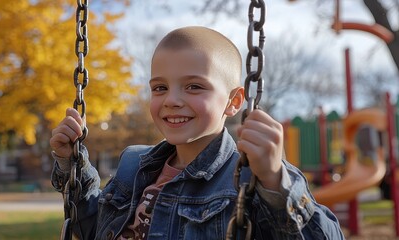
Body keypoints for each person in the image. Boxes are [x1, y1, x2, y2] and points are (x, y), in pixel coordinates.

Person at [50, 26, 345, 239]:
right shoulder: (133, 164)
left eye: (194, 86)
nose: (172, 100)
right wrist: (71, 163)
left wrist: (275, 181)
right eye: (160, 88)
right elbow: (91, 227)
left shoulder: (253, 178)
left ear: (234, 102)